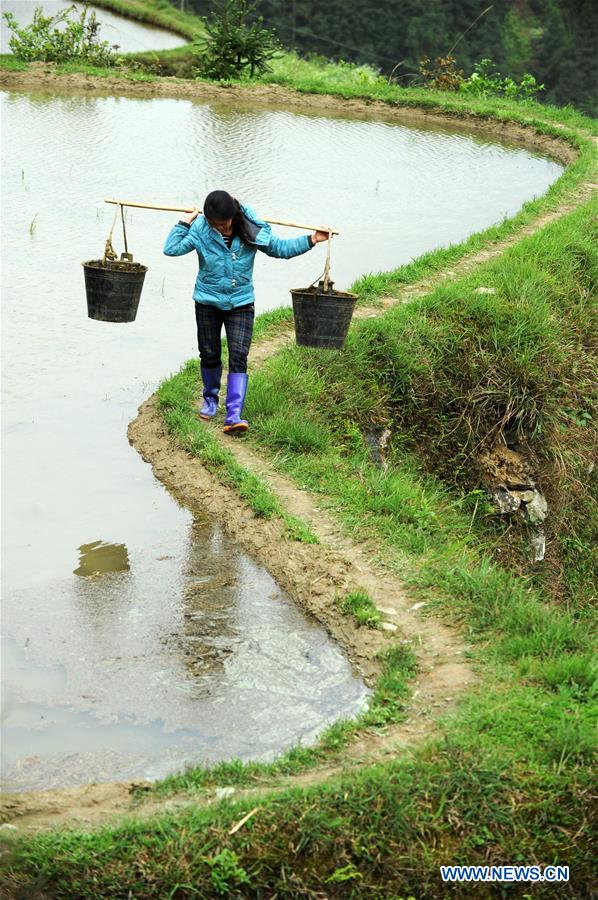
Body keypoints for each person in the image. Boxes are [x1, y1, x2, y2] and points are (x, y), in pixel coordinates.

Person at [164, 190, 330, 434]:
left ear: (232, 217)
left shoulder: (251, 229)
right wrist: (185, 222)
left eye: (222, 224)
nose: (218, 228)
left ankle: (233, 414)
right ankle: (210, 400)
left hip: (241, 303)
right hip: (207, 301)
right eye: (213, 224)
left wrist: (312, 239)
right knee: (209, 353)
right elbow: (171, 248)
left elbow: (280, 249)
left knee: (239, 357)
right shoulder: (201, 229)